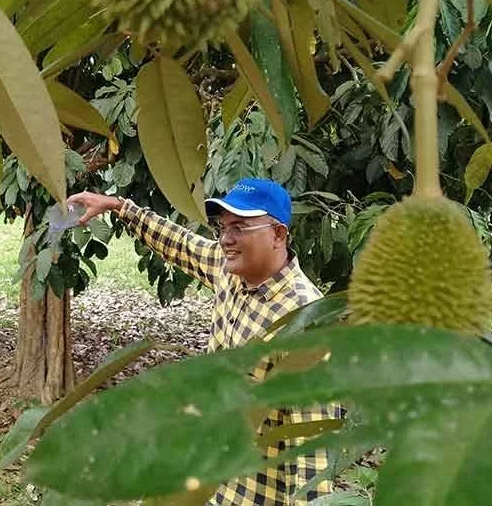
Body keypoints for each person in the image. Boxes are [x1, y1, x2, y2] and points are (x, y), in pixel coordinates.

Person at [67, 177, 342, 505]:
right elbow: (180, 243)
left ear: (278, 234)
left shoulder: (307, 322)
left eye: (239, 227)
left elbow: (312, 450)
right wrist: (117, 206)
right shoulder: (230, 272)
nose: (226, 239)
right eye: (222, 228)